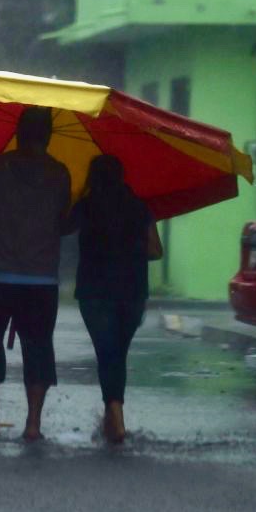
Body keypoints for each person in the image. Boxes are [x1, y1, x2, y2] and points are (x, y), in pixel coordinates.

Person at [0, 106, 71, 441]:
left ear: (17, 132)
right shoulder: (60, 173)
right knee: (38, 347)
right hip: (42, 278)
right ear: (49, 136)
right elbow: (63, 219)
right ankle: (33, 424)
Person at [67, 154, 162, 444]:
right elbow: (155, 250)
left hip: (94, 291)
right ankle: (113, 414)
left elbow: (60, 228)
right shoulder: (138, 207)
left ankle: (114, 412)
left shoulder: (86, 206)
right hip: (132, 291)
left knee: (106, 352)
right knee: (117, 352)